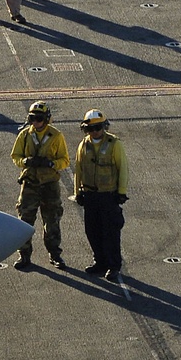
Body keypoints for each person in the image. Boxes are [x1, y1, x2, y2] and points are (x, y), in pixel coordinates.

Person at [10, 101, 69, 270]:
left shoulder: (56, 136)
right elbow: (15, 156)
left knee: (52, 220)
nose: (35, 122)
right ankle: (24, 254)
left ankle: (55, 254)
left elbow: (64, 160)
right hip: (30, 184)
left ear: (46, 119)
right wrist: (25, 161)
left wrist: (51, 164)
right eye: (32, 118)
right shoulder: (25, 135)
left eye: (39, 119)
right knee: (25, 220)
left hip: (49, 185)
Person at [73, 109, 129, 281]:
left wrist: (121, 193)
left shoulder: (114, 144)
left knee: (110, 232)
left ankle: (113, 266)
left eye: (98, 128)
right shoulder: (84, 145)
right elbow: (78, 169)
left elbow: (123, 169)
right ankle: (100, 262)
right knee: (92, 231)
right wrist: (78, 193)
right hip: (90, 195)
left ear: (104, 127)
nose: (95, 132)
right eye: (90, 129)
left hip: (108, 196)